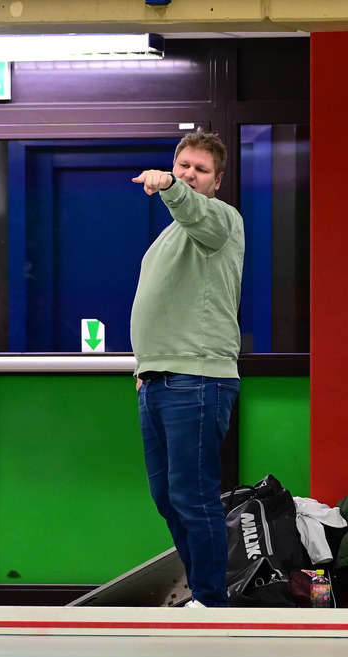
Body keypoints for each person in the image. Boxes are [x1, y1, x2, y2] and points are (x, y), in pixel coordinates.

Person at [130, 131, 245, 608]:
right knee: (167, 498)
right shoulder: (171, 235)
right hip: (159, 378)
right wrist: (146, 366)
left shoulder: (220, 219)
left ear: (217, 181)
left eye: (200, 170)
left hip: (197, 379)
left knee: (194, 496)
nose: (189, 175)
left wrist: (170, 187)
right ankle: (201, 593)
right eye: (182, 167)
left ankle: (212, 600)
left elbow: (193, 210)